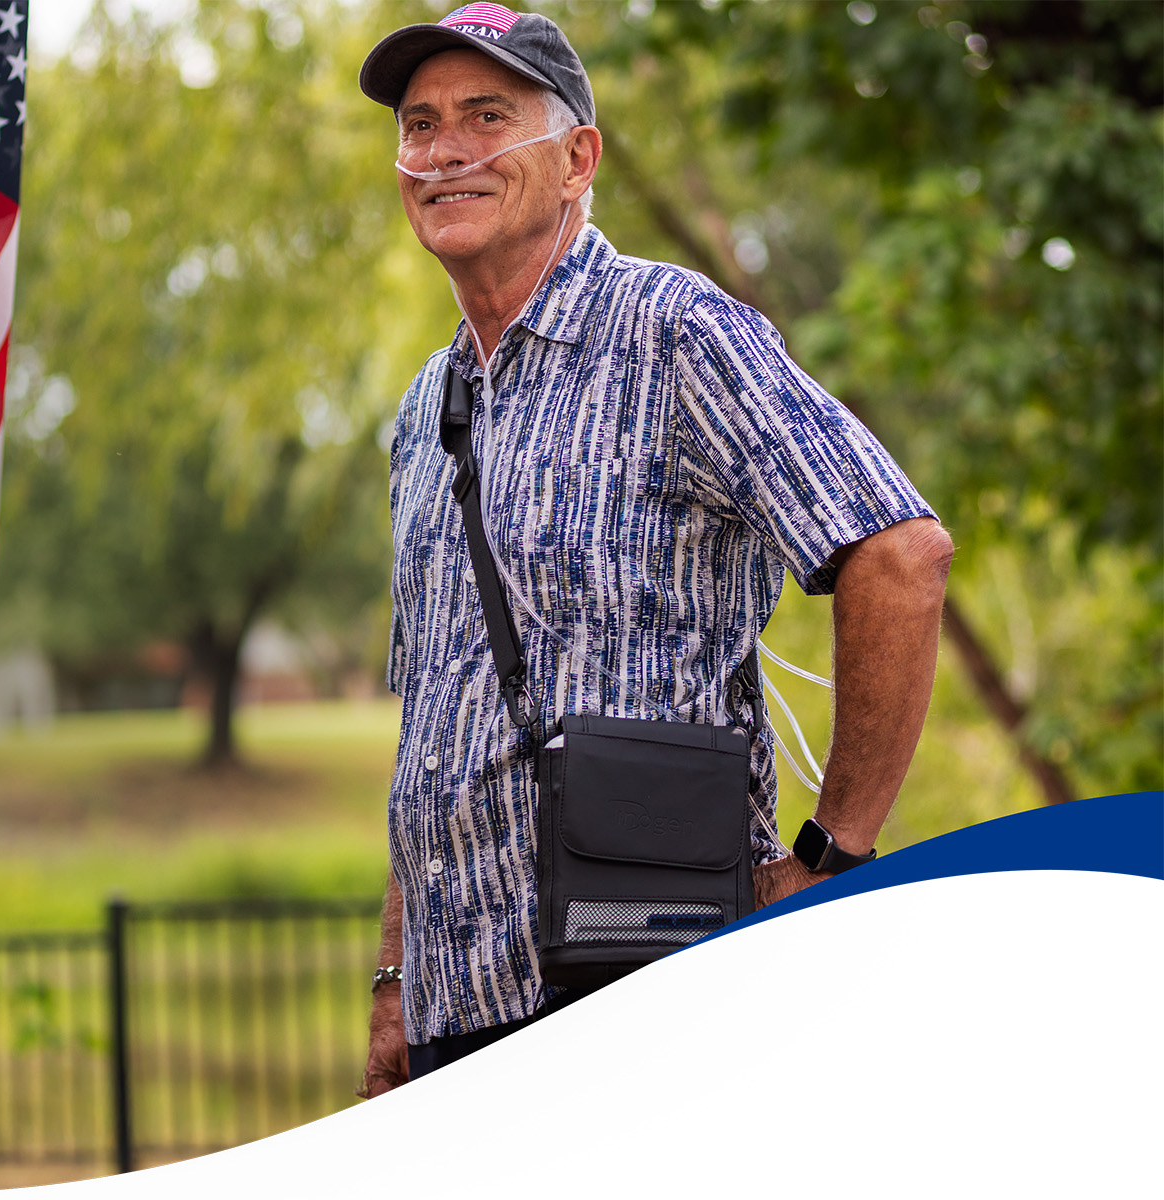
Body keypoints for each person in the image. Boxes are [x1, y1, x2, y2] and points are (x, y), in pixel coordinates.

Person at [355, 6, 955, 1096]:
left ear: (579, 157)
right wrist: (397, 980)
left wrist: (828, 863)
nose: (442, 154)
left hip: (657, 1001)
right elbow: (428, 723)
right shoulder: (422, 411)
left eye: (486, 119)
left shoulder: (676, 333)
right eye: (420, 125)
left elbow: (901, 557)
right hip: (458, 1023)